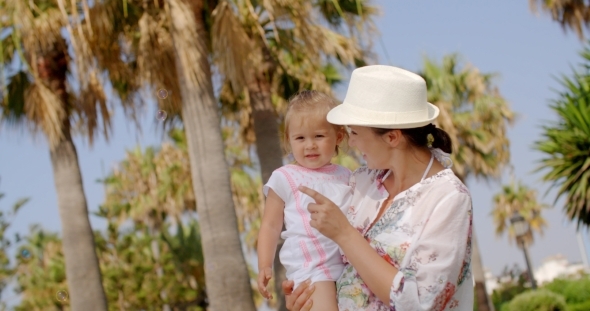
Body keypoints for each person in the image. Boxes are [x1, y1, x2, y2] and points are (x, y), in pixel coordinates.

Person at [282, 65, 474, 311]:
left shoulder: (447, 198)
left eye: (355, 132)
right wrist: (306, 292)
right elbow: (332, 267)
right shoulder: (362, 182)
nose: (350, 142)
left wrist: (345, 234)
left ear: (392, 137)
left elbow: (421, 303)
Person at [257, 90, 353, 311]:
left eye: (319, 136)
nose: (309, 145)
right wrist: (264, 264)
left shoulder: (347, 176)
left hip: (350, 264)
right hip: (312, 268)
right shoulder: (285, 177)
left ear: (338, 137)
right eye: (300, 138)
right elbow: (270, 225)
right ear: (289, 140)